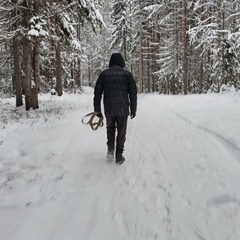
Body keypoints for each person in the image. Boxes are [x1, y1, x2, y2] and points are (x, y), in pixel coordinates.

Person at [93, 53, 137, 164]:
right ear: (122, 62)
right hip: (123, 109)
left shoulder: (104, 75)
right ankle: (119, 155)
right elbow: (133, 93)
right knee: (121, 131)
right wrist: (133, 108)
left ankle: (110, 150)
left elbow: (97, 94)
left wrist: (97, 110)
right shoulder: (127, 75)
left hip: (109, 108)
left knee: (110, 128)